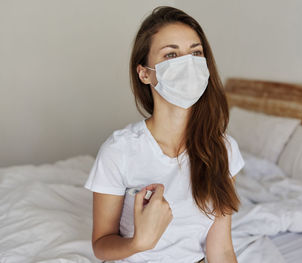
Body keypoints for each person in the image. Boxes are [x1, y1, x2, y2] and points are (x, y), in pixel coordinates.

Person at [84, 6, 245, 263]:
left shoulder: (224, 149)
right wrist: (139, 243)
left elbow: (221, 249)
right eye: (171, 54)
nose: (187, 64)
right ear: (145, 73)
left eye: (195, 53)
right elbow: (102, 244)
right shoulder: (119, 150)